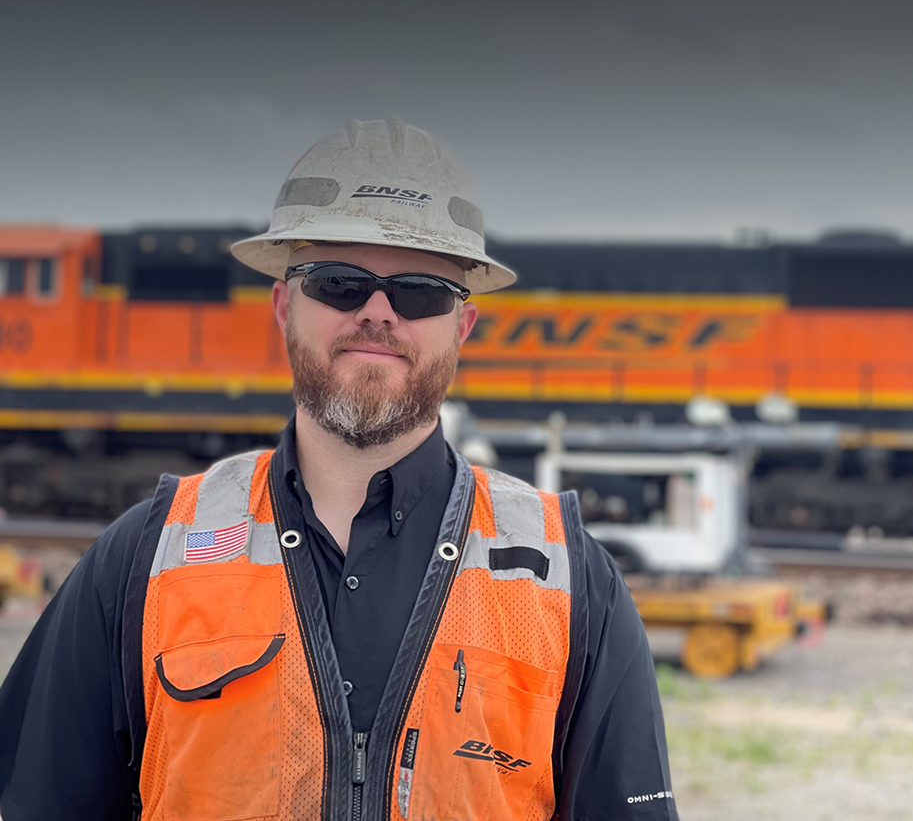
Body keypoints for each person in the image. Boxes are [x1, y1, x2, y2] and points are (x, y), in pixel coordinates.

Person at [0, 118, 677, 821]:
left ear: (463, 327)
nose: (378, 312)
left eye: (420, 291)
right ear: (283, 305)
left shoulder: (573, 581)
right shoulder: (141, 561)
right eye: (339, 283)